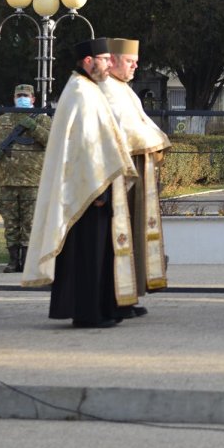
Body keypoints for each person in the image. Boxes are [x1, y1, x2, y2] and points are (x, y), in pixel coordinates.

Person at [23, 38, 139, 328]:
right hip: (87, 189)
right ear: (88, 61)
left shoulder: (88, 88)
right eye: (103, 59)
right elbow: (83, 145)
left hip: (96, 183)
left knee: (99, 251)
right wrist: (98, 187)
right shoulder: (79, 91)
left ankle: (100, 307)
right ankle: (87, 314)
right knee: (87, 252)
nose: (109, 64)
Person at [100, 38, 171, 317]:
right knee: (120, 235)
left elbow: (141, 122)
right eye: (130, 61)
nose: (135, 66)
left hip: (136, 170)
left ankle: (127, 296)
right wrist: (158, 140)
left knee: (132, 236)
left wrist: (157, 139)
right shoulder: (107, 88)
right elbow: (126, 128)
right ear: (114, 61)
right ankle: (116, 298)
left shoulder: (124, 89)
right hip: (121, 174)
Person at [0, 84, 51, 273]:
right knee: (10, 223)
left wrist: (34, 127)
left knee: (30, 223)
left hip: (33, 181)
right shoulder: (2, 121)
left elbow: (52, 141)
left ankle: (28, 260)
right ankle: (13, 261)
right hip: (7, 181)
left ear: (33, 99)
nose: (22, 98)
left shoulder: (43, 120)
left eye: (26, 95)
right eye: (19, 95)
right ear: (13, 98)